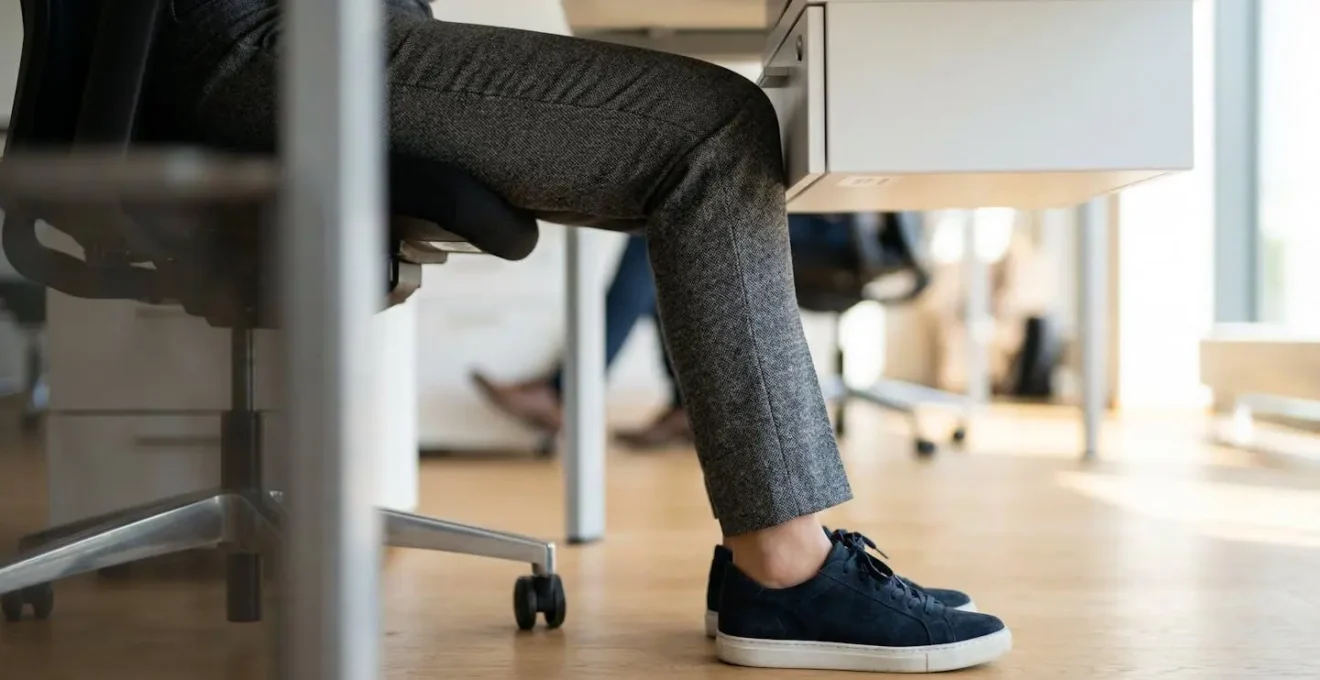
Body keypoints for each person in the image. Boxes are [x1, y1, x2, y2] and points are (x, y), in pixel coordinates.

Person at [148, 0, 1012, 672]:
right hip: (269, 42)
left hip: (292, 34)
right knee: (718, 131)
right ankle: (783, 566)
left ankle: (769, 564)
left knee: (704, 140)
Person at [471, 214, 872, 449]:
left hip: (847, 236)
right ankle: (683, 406)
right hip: (832, 220)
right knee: (665, 243)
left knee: (662, 229)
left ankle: (564, 393)